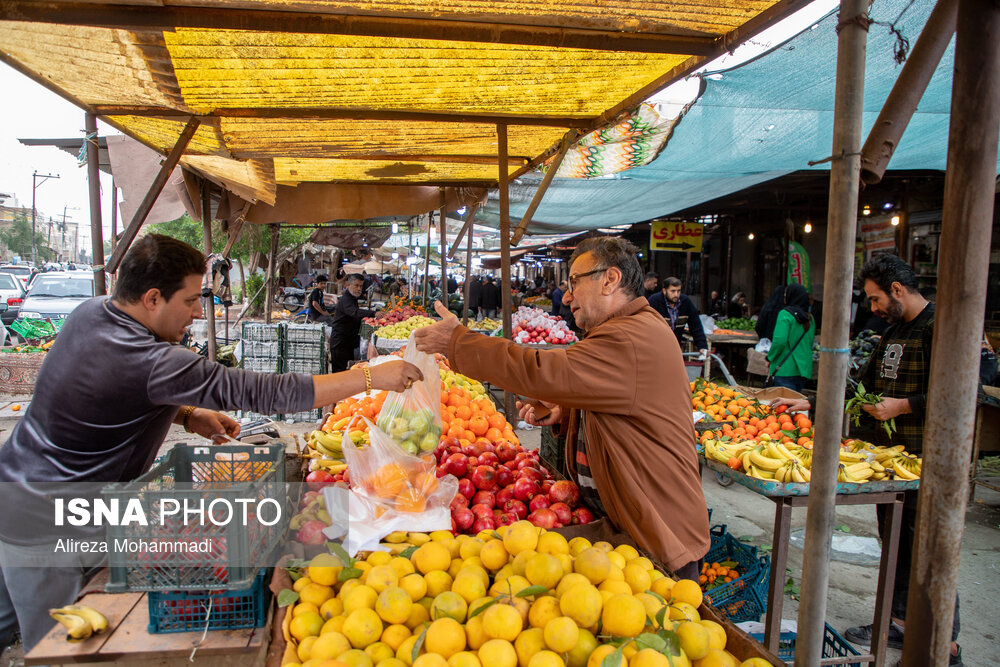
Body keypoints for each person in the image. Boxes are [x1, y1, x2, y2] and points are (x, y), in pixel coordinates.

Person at [0, 235, 422, 652]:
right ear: (151, 299)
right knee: (58, 649)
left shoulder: (91, 312)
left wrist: (186, 414)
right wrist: (371, 377)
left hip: (15, 484)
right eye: (189, 300)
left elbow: (95, 393)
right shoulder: (153, 361)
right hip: (50, 520)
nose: (199, 311)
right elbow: (267, 393)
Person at [414, 237, 710, 576]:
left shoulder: (630, 337)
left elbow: (541, 371)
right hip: (633, 527)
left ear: (610, 280)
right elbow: (624, 405)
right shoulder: (628, 330)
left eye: (574, 282)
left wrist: (459, 342)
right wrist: (569, 412)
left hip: (659, 536)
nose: (566, 296)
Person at [774, 255, 961, 666]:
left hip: (927, 461)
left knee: (926, 552)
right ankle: (897, 622)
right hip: (888, 461)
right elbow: (860, 386)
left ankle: (945, 646)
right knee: (895, 543)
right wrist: (811, 402)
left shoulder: (940, 328)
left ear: (897, 290)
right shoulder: (893, 330)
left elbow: (963, 392)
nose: (872, 309)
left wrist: (904, 406)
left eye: (876, 299)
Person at [765, 284, 815, 392]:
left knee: (782, 406)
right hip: (803, 369)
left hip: (784, 368)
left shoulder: (785, 314)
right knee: (793, 404)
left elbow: (779, 342)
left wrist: (770, 358)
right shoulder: (810, 318)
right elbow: (810, 343)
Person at [647, 277, 708, 357]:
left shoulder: (686, 302)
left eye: (678, 291)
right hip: (656, 348)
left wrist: (702, 346)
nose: (676, 294)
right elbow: (646, 326)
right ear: (664, 291)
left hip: (675, 347)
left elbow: (696, 325)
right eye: (673, 291)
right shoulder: (654, 301)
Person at [330, 273, 377, 372]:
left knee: (347, 370)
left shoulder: (352, 298)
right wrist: (374, 314)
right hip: (340, 342)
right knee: (340, 371)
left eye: (361, 286)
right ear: (348, 285)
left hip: (348, 342)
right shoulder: (346, 299)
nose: (359, 288)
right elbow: (354, 312)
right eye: (356, 285)